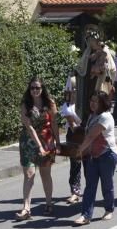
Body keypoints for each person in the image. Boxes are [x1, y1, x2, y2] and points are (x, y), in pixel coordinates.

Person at [16, 78, 59, 220]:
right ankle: (26, 208)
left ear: (42, 89)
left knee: (45, 174)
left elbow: (54, 124)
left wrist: (58, 142)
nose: (35, 90)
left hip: (47, 140)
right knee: (29, 174)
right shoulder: (25, 105)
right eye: (32, 88)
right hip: (28, 142)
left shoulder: (50, 103)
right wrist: (38, 146)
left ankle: (48, 203)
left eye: (38, 88)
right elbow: (29, 127)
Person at [74, 91, 117, 225]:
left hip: (108, 154)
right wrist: (84, 152)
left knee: (106, 184)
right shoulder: (92, 116)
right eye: (91, 101)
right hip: (94, 155)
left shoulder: (105, 117)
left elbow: (92, 136)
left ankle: (109, 209)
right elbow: (89, 137)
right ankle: (85, 215)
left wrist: (79, 151)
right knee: (90, 186)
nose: (92, 104)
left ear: (102, 103)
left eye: (96, 101)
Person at [76, 33, 115, 122]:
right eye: (88, 40)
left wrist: (101, 69)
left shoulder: (104, 51)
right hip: (88, 81)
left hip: (100, 81)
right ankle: (86, 119)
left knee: (98, 99)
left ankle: (99, 118)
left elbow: (111, 68)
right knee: (88, 100)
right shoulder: (88, 51)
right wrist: (76, 71)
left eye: (91, 40)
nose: (89, 42)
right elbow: (82, 65)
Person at [58, 79, 82, 204]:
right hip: (74, 135)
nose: (74, 92)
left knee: (90, 165)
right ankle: (75, 192)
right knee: (75, 165)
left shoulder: (85, 104)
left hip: (86, 134)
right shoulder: (67, 106)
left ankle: (89, 191)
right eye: (72, 89)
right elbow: (73, 126)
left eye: (76, 89)